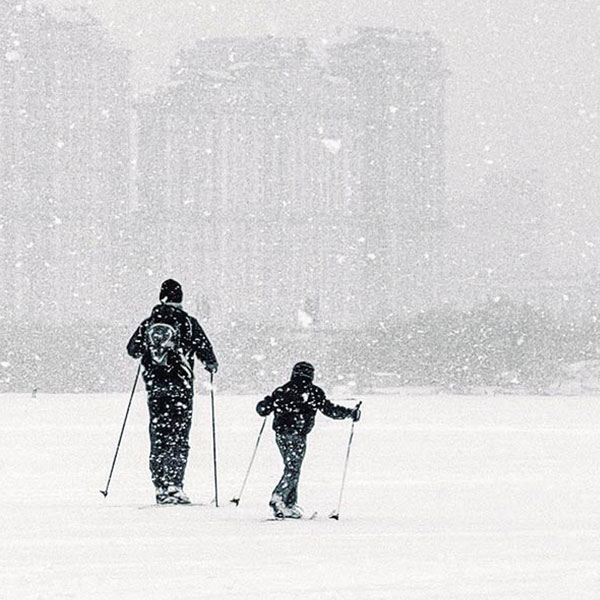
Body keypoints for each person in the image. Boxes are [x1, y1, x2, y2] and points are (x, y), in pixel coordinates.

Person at [127, 279, 218, 504]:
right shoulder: (187, 322)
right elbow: (205, 350)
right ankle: (175, 485)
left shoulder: (148, 323)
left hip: (155, 388)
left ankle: (159, 486)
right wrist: (210, 364)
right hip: (181, 388)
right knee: (179, 436)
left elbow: (132, 350)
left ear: (161, 297)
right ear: (180, 298)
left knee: (159, 436)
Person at [256, 361, 361, 519]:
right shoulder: (313, 392)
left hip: (281, 435)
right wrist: (350, 413)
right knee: (293, 468)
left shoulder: (282, 390)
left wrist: (266, 403)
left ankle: (289, 505)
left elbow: (262, 410)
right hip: (297, 435)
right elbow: (329, 410)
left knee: (291, 467)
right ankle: (279, 498)